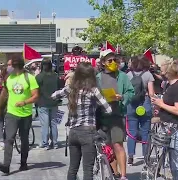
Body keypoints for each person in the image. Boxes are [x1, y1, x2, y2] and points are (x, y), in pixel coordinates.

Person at [51, 62, 112, 180]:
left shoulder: (71, 88)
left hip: (73, 132)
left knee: (73, 168)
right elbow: (108, 109)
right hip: (88, 131)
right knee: (88, 169)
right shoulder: (93, 90)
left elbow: (54, 95)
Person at [96, 50, 135, 180]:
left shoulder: (122, 76)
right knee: (108, 147)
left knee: (118, 144)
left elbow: (131, 92)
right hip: (103, 117)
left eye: (115, 60)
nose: (113, 63)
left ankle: (123, 176)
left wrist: (122, 97)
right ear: (103, 63)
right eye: (110, 60)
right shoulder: (98, 78)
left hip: (117, 115)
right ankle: (115, 173)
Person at [0, 56, 39, 174]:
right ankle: (6, 165)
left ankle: (23, 162)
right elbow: (4, 94)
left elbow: (36, 96)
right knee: (9, 139)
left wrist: (24, 102)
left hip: (26, 114)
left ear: (16, 66)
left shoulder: (29, 78)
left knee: (24, 139)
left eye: (10, 65)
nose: (8, 67)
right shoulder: (9, 78)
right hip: (12, 113)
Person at [151, 60, 178, 180]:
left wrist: (161, 103)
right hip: (167, 127)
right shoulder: (169, 85)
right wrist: (158, 104)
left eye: (162, 69)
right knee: (172, 162)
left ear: (168, 71)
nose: (161, 72)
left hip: (176, 128)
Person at [126, 56, 155, 166]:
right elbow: (151, 93)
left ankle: (130, 156)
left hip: (131, 106)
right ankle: (146, 156)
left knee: (132, 132)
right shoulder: (148, 75)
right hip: (144, 105)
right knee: (145, 132)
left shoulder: (127, 75)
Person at [36, 59, 59, 150]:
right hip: (54, 102)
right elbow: (59, 88)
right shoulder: (55, 76)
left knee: (44, 124)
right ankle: (55, 143)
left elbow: (36, 90)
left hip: (43, 103)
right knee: (54, 123)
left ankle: (45, 143)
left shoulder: (39, 77)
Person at [0, 63, 9, 149]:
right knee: (7, 123)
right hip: (7, 104)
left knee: (0, 123)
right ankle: (6, 139)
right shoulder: (9, 79)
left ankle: (1, 141)